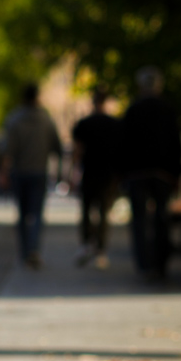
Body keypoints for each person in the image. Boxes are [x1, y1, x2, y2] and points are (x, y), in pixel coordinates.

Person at [122, 66, 181, 281]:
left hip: (137, 174)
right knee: (161, 219)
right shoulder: (167, 109)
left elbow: (123, 144)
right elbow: (176, 143)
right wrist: (176, 173)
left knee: (139, 221)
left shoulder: (133, 109)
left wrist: (124, 174)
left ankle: (144, 266)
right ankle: (160, 264)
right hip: (162, 173)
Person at [0, 83, 62, 268]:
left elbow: (7, 151)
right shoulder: (46, 120)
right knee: (37, 213)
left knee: (22, 214)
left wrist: (3, 173)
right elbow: (57, 147)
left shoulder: (14, 120)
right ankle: (34, 249)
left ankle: (25, 251)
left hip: (20, 173)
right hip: (39, 172)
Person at [69, 84, 124, 269]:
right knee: (103, 213)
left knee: (86, 211)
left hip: (89, 173)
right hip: (108, 175)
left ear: (93, 101)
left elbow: (77, 150)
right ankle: (100, 250)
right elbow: (120, 151)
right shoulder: (114, 124)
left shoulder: (84, 123)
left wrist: (73, 171)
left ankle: (86, 244)